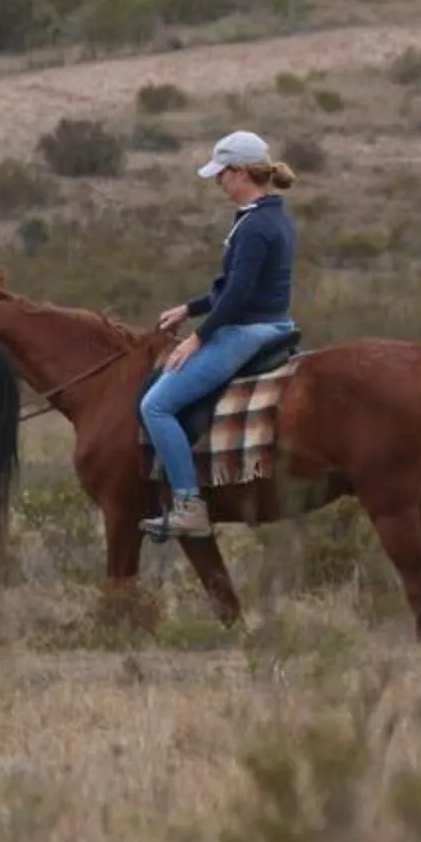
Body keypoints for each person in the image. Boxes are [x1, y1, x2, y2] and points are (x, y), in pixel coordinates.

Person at [138, 130, 301, 542]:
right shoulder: (271, 217)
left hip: (247, 330)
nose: (218, 182)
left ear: (241, 172)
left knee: (156, 405)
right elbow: (235, 287)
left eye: (222, 174)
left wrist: (197, 338)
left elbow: (239, 295)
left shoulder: (252, 227)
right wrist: (190, 309)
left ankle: (189, 505)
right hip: (273, 321)